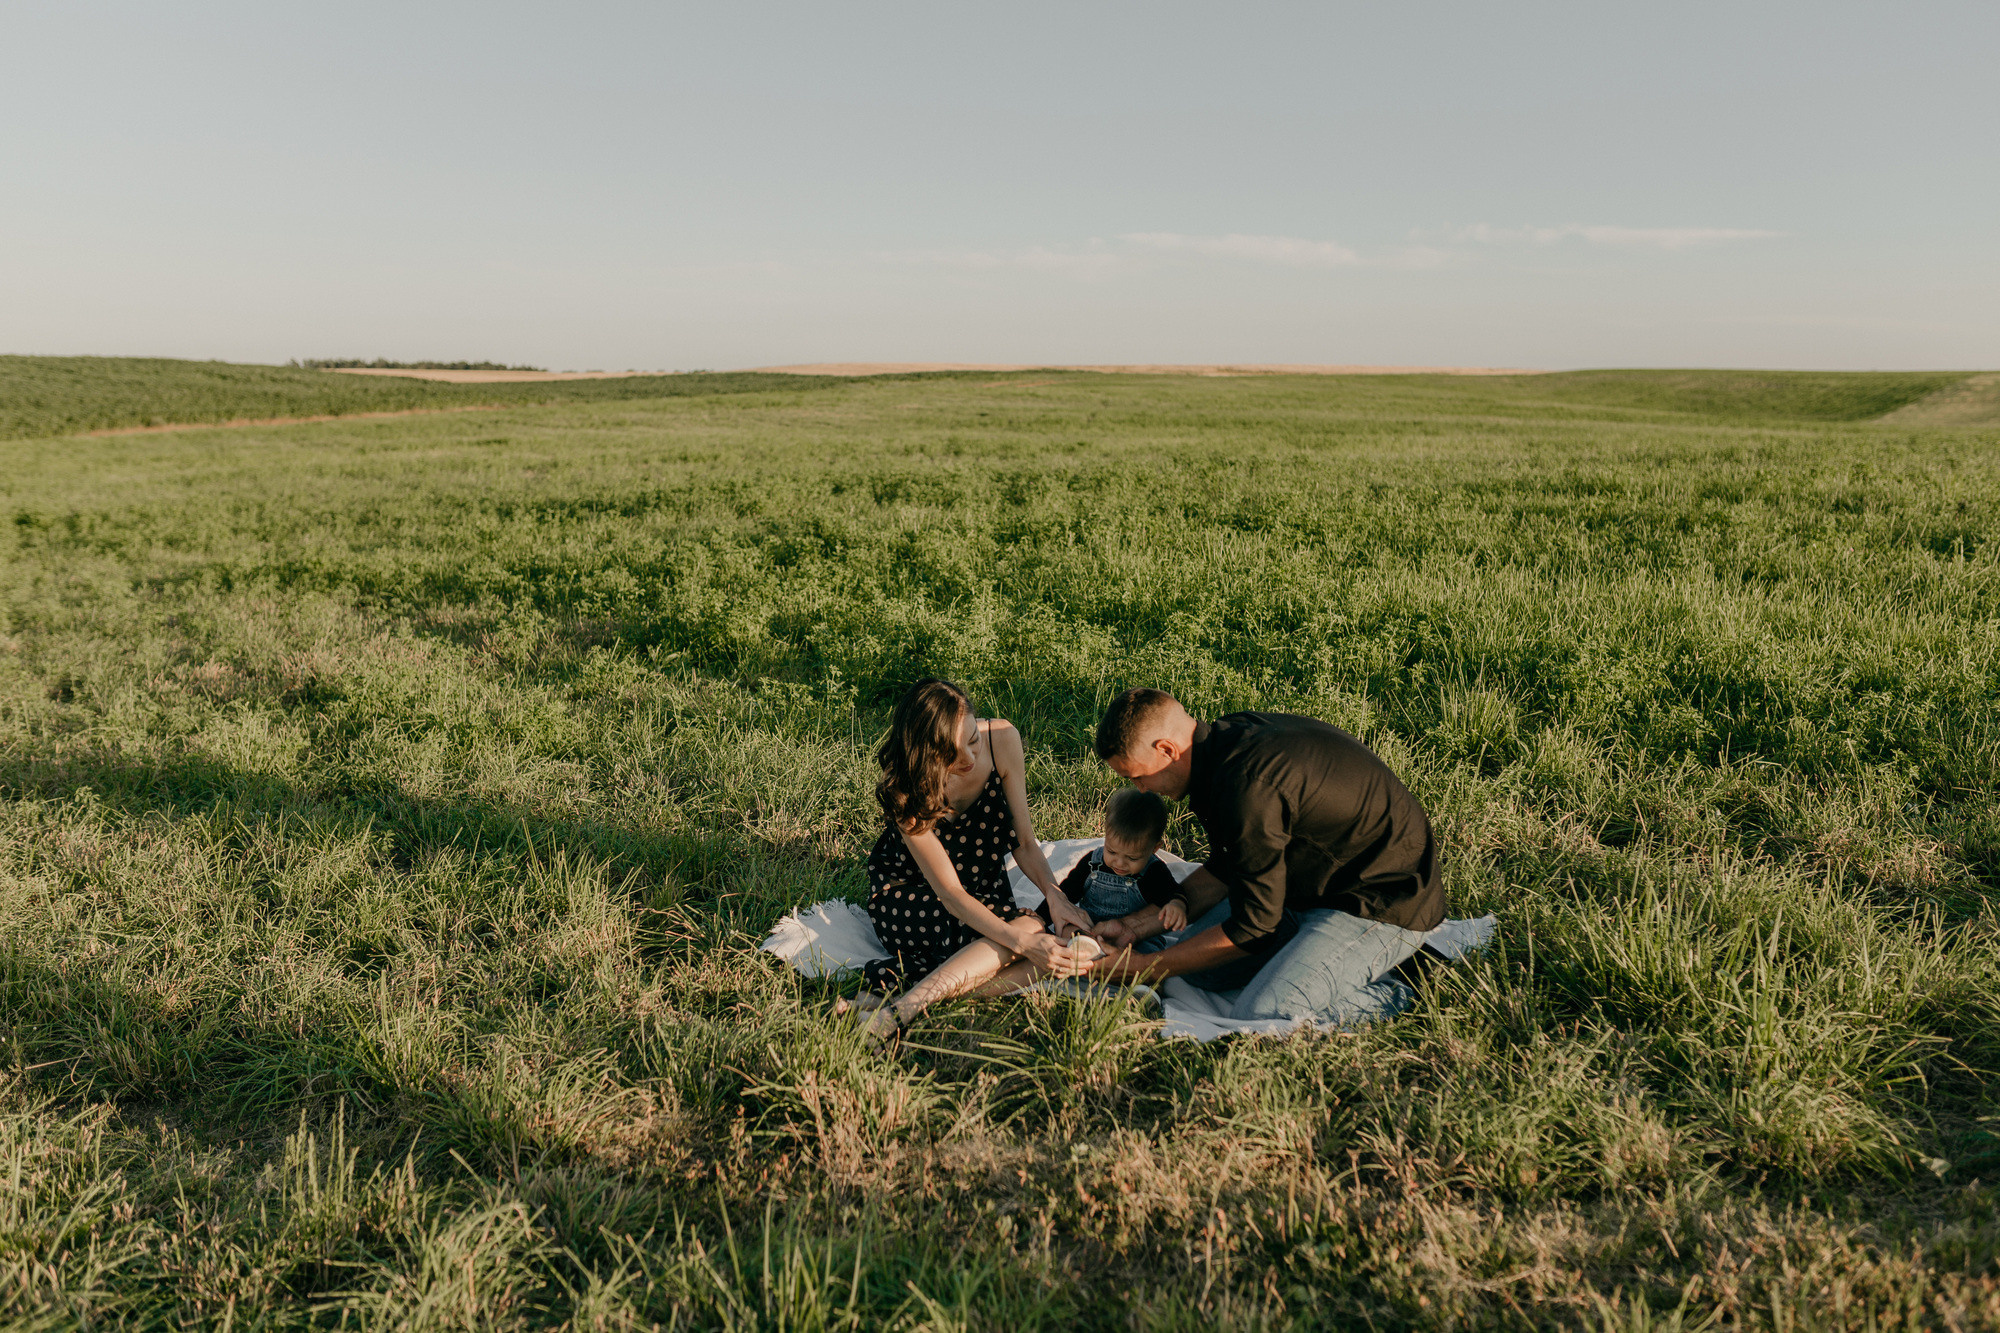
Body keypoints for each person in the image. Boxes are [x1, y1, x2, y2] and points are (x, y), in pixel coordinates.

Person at [1081, 688, 1445, 1026]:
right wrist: (1133, 928)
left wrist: (1143, 967)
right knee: (1198, 969)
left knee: (1263, 1016)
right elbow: (1226, 869)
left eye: (1139, 777)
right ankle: (1320, 954)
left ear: (1167, 749)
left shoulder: (1247, 788)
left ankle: (1406, 984)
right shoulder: (1219, 748)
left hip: (1381, 899)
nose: (1142, 789)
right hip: (1305, 881)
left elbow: (1253, 927)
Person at [844, 678, 1092, 1044]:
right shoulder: (904, 785)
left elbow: (1024, 842)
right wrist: (1022, 944)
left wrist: (1055, 895)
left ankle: (920, 998)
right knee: (1028, 939)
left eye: (973, 739)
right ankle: (903, 1012)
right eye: (952, 754)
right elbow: (949, 894)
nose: (971, 759)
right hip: (911, 894)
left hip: (981, 885)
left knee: (1046, 952)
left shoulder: (1003, 740)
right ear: (925, 753)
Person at [1038, 788, 1187, 933]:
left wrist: (1177, 903)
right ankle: (1082, 945)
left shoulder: (1153, 871)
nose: (1119, 863)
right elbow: (1066, 892)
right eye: (1111, 851)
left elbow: (1173, 891)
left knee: (1149, 949)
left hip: (1132, 935)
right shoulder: (1092, 863)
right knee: (1068, 929)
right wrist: (1040, 917)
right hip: (1090, 927)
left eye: (1132, 858)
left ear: (1155, 848)